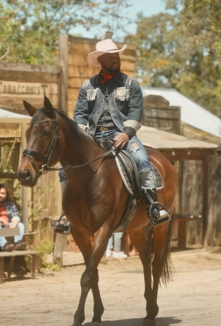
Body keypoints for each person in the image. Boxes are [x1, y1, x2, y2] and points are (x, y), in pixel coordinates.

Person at [54, 38, 169, 234]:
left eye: (117, 55)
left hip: (123, 134)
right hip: (93, 136)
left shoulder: (130, 84)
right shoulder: (87, 86)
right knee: (65, 170)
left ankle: (153, 206)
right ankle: (69, 215)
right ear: (101, 59)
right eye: (110, 56)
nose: (115, 58)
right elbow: (80, 115)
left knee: (142, 160)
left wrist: (126, 134)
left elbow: (135, 113)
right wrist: (81, 136)